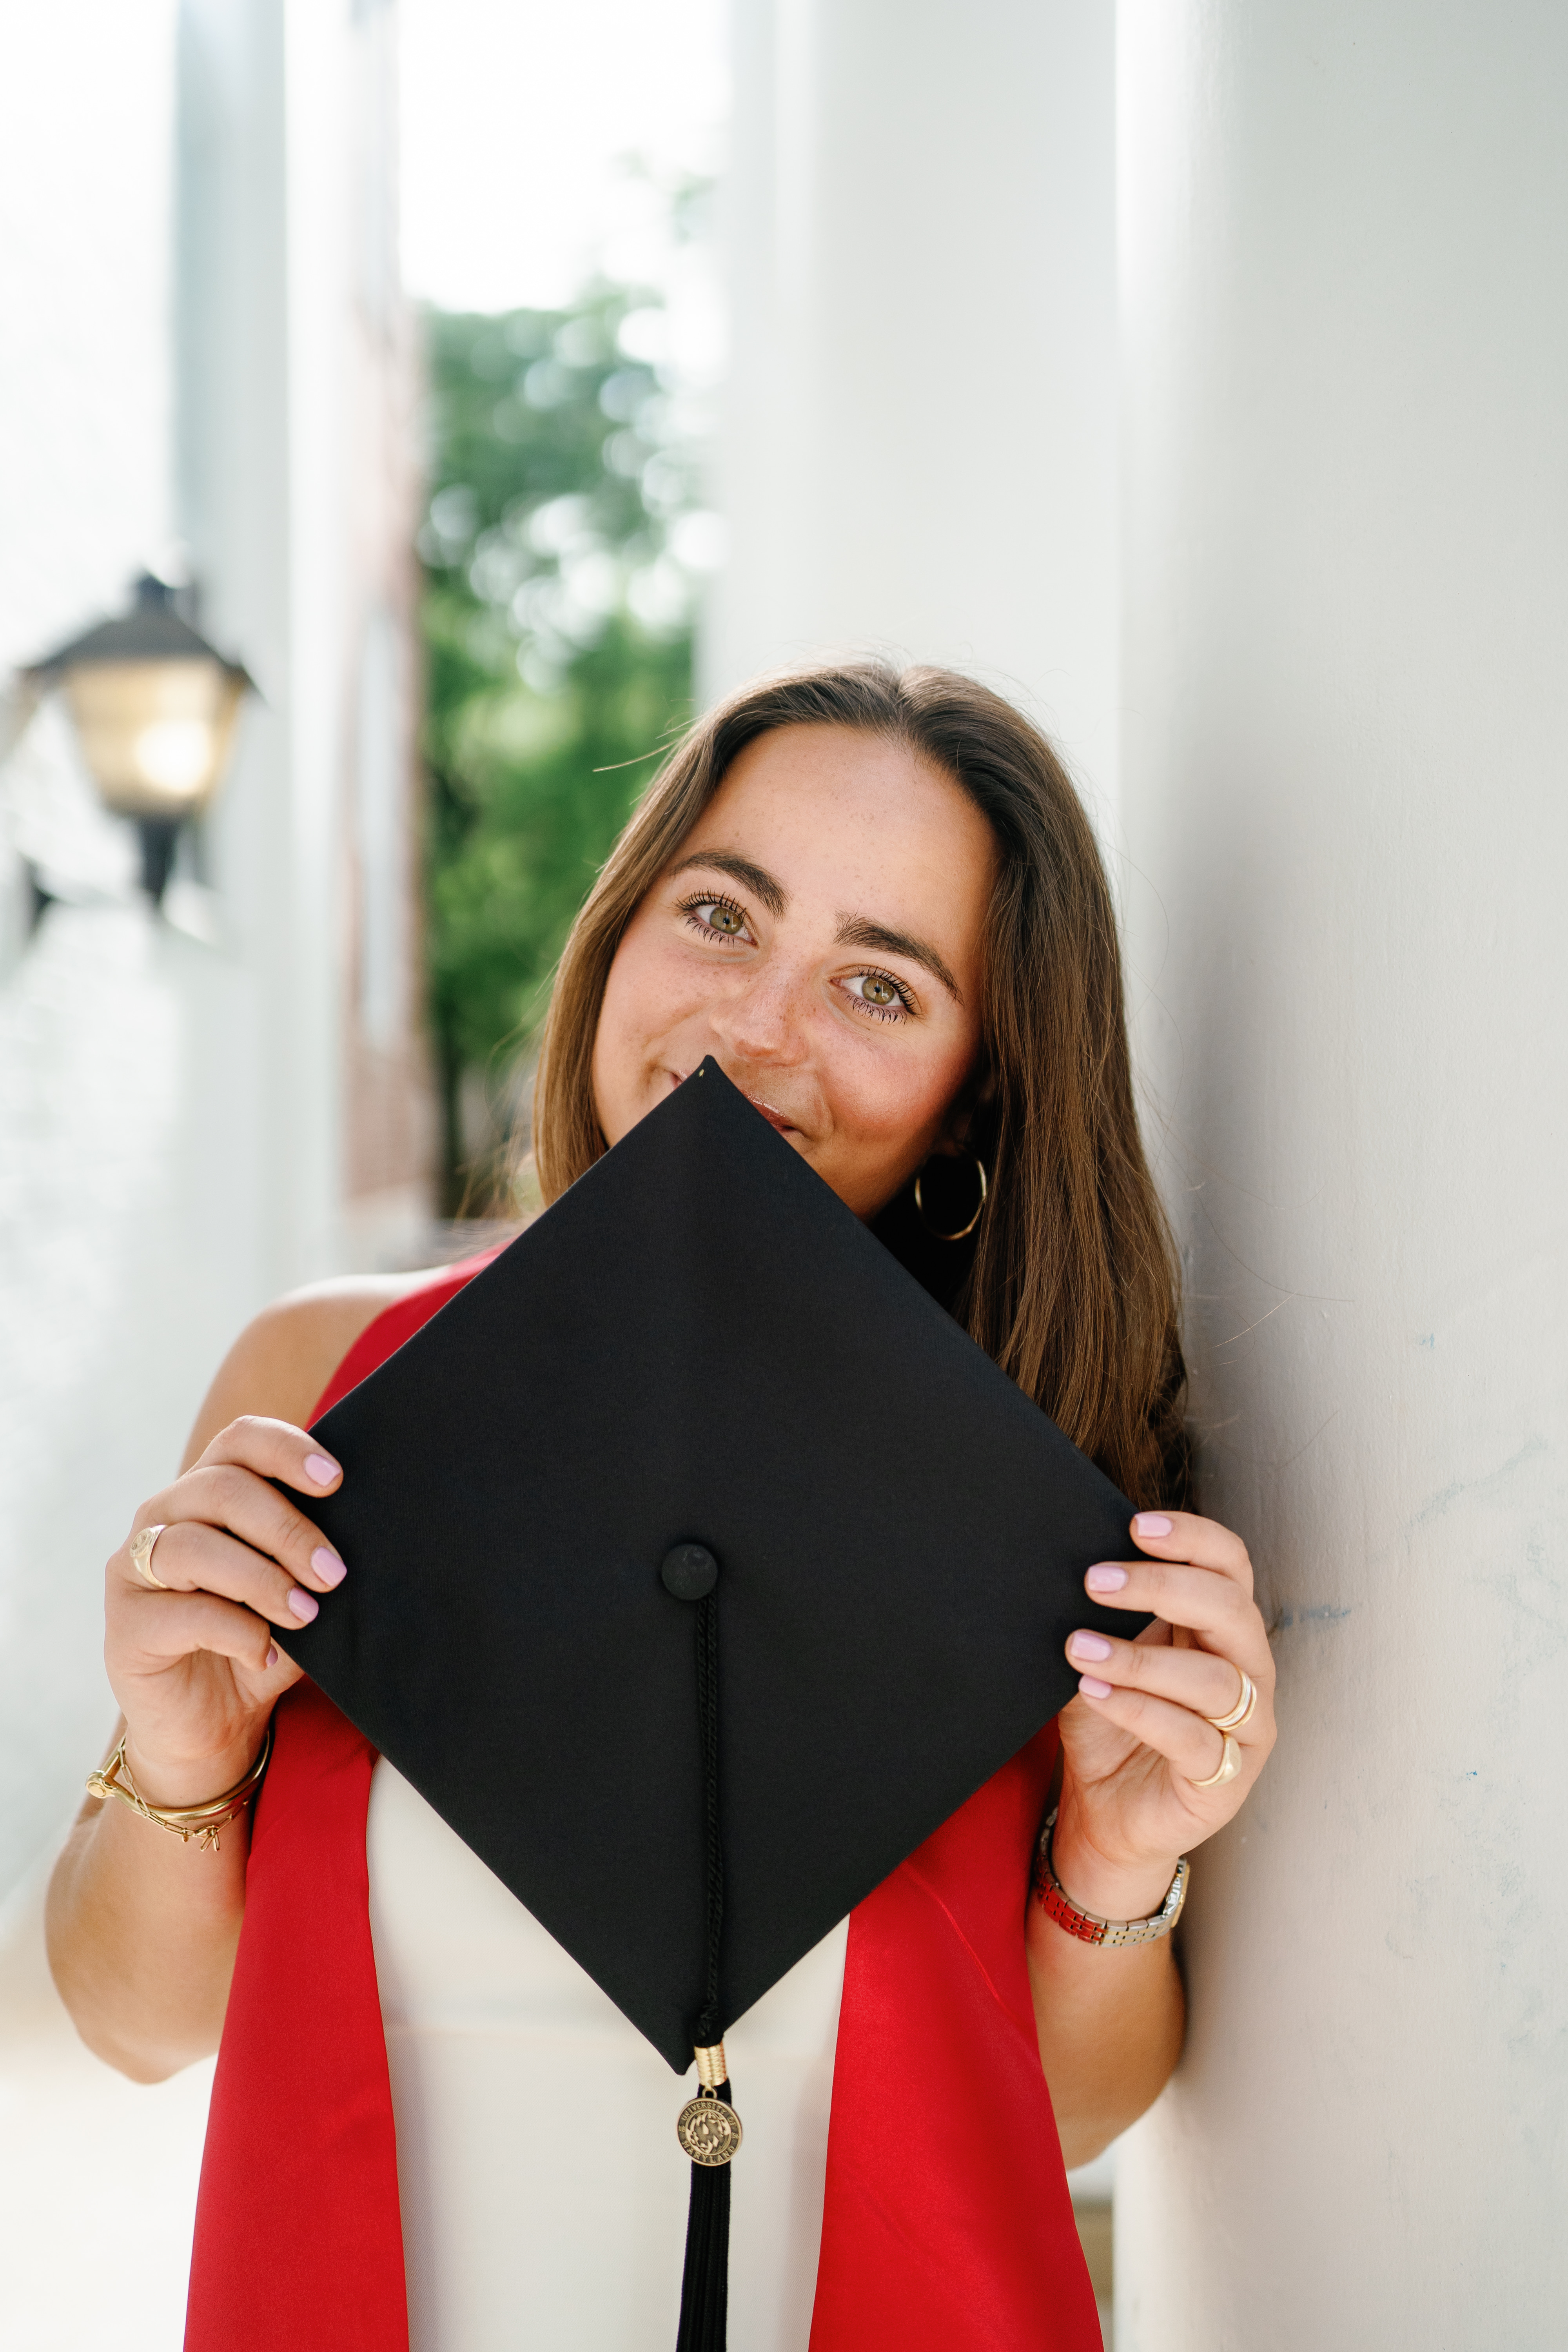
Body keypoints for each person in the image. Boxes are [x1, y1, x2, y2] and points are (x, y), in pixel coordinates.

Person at [46, 662, 1276, 2351]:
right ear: (619, 929)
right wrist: (177, 1760)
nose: (757, 1026)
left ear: (971, 1095)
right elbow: (133, 2021)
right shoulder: (329, 1385)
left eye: (878, 983)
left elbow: (1053, 2121)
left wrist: (1114, 1867)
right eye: (721, 913)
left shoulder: (1030, 1502)